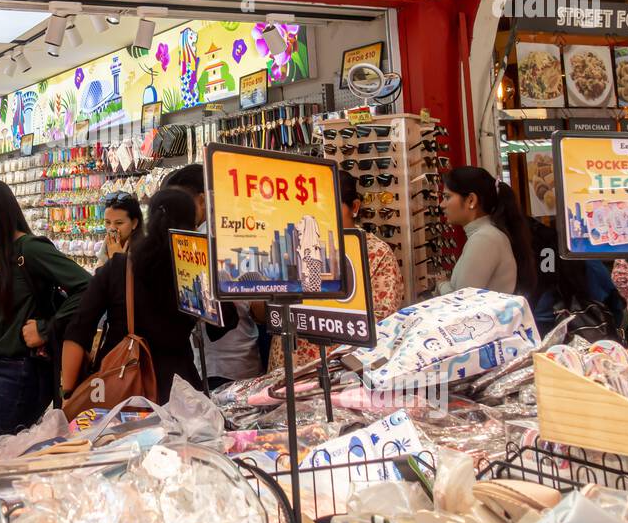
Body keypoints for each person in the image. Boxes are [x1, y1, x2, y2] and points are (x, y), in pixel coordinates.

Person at [62, 187, 235, 402]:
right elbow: (225, 322)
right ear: (192, 225)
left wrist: (68, 391)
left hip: (122, 383)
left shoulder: (119, 267)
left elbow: (79, 325)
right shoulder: (193, 270)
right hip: (177, 389)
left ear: (148, 219)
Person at [0, 179, 90, 436]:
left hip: (21, 372)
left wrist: (47, 329)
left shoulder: (30, 249)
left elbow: (87, 287)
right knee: (1, 451)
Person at [270, 171, 405, 371]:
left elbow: (382, 323)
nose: (320, 214)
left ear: (355, 207)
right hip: (288, 370)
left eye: (329, 205)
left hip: (340, 376)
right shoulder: (296, 247)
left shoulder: (376, 254)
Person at [163, 164, 265, 386]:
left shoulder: (192, 242)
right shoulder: (241, 234)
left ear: (201, 200)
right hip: (243, 357)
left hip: (213, 364)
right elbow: (258, 306)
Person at [437, 166, 536, 299]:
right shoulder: (486, 235)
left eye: (447, 197)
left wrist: (441, 284)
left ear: (471, 200)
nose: (442, 205)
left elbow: (462, 301)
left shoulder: (485, 238)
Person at [102, 191, 144, 261]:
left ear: (134, 223)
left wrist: (116, 259)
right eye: (107, 222)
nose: (112, 228)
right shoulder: (109, 242)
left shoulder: (144, 250)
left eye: (119, 223)